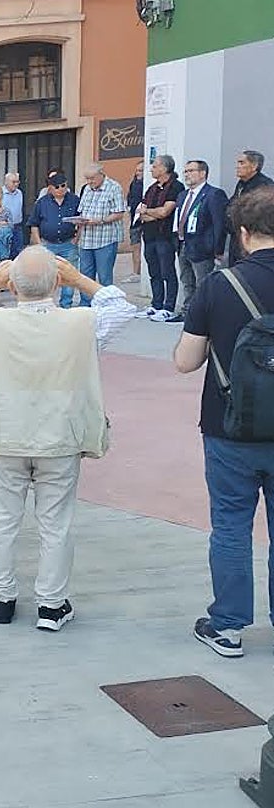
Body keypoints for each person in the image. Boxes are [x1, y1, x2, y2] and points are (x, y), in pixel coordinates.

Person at [0, 247, 133, 629]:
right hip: (60, 436)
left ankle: (0, 596)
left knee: (1, 521)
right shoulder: (82, 322)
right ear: (58, 281)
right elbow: (120, 307)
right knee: (56, 523)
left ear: (12, 285)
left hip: (7, 433)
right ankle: (51, 603)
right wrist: (80, 279)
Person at [174, 186, 274, 658]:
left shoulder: (220, 285)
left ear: (242, 232)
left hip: (230, 424)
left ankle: (229, 626)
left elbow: (186, 361)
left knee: (232, 526)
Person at [173, 159, 229, 320]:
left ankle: (203, 315)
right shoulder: (183, 195)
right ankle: (188, 312)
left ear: (203, 173)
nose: (187, 174)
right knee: (186, 280)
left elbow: (219, 224)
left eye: (191, 171)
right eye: (186, 171)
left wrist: (217, 249)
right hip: (183, 244)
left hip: (203, 247)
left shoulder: (213, 194)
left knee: (202, 283)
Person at [136, 155, 186, 321]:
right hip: (149, 236)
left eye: (155, 166)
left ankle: (168, 307)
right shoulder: (152, 188)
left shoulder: (176, 187)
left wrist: (149, 211)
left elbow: (165, 212)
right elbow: (141, 213)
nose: (151, 169)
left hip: (165, 237)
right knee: (154, 272)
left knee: (167, 272)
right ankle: (156, 304)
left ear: (165, 168)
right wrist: (152, 213)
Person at [27, 173, 81, 308]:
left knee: (68, 275)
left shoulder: (75, 200)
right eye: (57, 186)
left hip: (68, 243)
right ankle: (46, 304)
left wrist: (77, 238)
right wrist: (39, 244)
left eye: (64, 185)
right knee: (46, 276)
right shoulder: (42, 202)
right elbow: (34, 224)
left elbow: (82, 220)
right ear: (50, 188)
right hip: (48, 244)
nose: (61, 189)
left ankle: (65, 304)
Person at [75, 164, 127, 302]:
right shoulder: (87, 189)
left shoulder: (114, 187)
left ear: (101, 174)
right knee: (85, 275)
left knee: (104, 276)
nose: (89, 182)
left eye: (92, 178)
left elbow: (119, 213)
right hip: (86, 239)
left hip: (105, 239)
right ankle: (86, 304)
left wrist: (100, 220)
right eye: (87, 179)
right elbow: (82, 211)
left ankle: (105, 304)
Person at [227, 150, 274, 266]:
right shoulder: (241, 184)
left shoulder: (265, 185)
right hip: (236, 236)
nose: (237, 166)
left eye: (242, 163)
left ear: (254, 166)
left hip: (254, 238)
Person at [125, 160, 145, 281]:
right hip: (134, 219)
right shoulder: (134, 183)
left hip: (143, 219)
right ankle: (136, 272)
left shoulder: (146, 184)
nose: (138, 173)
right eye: (137, 170)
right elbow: (130, 198)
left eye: (141, 170)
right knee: (135, 246)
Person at [2, 172, 25, 258]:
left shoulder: (19, 193)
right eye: (13, 182)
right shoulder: (0, 193)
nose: (16, 184)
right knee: (5, 251)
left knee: (18, 251)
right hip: (4, 226)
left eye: (17, 182)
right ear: (6, 182)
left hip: (17, 226)